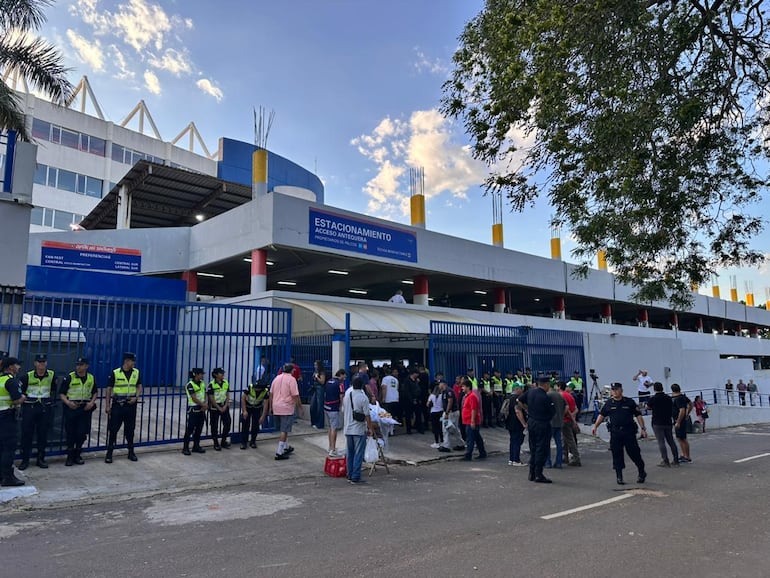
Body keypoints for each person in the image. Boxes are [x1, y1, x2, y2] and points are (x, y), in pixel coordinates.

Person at [592, 382, 647, 485]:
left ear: (621, 390)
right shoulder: (609, 403)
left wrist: (643, 428)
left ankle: (641, 471)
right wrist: (595, 426)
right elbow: (602, 415)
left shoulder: (629, 402)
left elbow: (638, 415)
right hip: (615, 433)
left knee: (634, 453)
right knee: (617, 455)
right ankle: (619, 476)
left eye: (616, 389)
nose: (614, 391)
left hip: (628, 432)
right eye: (613, 390)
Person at [18, 353, 57, 470]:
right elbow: (22, 392)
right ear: (35, 363)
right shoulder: (26, 376)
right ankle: (25, 460)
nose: (41, 364)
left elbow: (53, 390)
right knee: (27, 434)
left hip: (44, 408)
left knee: (43, 434)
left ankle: (41, 459)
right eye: (39, 362)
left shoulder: (52, 375)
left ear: (46, 363)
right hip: (29, 408)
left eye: (43, 362)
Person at [58, 357, 98, 466]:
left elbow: (95, 392)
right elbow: (61, 393)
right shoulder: (70, 377)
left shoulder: (91, 378)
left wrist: (91, 403)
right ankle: (70, 456)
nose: (78, 367)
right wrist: (68, 403)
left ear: (86, 366)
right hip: (72, 408)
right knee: (71, 432)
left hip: (85, 409)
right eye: (77, 365)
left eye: (81, 365)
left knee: (82, 433)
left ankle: (78, 454)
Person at [104, 352, 142, 463]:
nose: (134, 363)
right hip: (118, 406)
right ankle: (109, 453)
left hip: (131, 406)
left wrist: (136, 397)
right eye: (132, 361)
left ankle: (131, 452)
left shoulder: (136, 372)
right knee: (113, 429)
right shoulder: (115, 373)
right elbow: (108, 389)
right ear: (126, 361)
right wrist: (107, 405)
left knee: (130, 430)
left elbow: (139, 386)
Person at [518, 376, 556, 483]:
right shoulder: (545, 397)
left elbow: (519, 400)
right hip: (542, 423)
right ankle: (538, 474)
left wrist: (527, 410)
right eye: (549, 384)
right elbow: (553, 412)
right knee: (541, 449)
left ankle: (532, 473)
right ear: (546, 384)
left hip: (532, 422)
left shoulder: (530, 392)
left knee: (533, 448)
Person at [269, 363, 304, 460]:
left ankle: (286, 446)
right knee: (284, 430)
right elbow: (295, 395)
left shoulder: (276, 378)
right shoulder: (292, 380)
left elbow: (271, 393)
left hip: (276, 406)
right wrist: (300, 407)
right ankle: (279, 452)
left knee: (283, 429)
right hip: (286, 407)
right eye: (293, 370)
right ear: (291, 370)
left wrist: (271, 406)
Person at [0, 357, 26, 486]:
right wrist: (23, 397)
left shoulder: (0, 379)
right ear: (11, 367)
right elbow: (16, 399)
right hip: (7, 417)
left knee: (1, 448)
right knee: (9, 448)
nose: (19, 367)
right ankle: (8, 477)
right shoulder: (11, 381)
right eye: (17, 365)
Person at [343, 376, 373, 484]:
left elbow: (344, 410)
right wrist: (370, 429)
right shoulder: (363, 397)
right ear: (362, 386)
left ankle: (349, 474)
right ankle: (355, 476)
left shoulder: (347, 395)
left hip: (347, 428)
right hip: (358, 430)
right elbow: (367, 416)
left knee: (349, 453)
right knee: (358, 454)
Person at [645, 382, 679, 467]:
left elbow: (647, 407)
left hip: (657, 422)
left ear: (654, 389)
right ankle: (676, 459)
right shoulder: (668, 398)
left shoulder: (653, 398)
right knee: (671, 441)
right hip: (667, 421)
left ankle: (665, 460)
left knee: (661, 442)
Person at [182, 368, 208, 455]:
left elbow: (205, 394)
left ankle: (196, 446)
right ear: (196, 375)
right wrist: (203, 405)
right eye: (201, 374)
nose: (202, 375)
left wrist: (205, 403)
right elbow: (193, 398)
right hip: (193, 409)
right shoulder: (190, 385)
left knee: (199, 429)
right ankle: (185, 448)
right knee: (190, 429)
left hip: (201, 409)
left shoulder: (202, 383)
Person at [461, 377, 487, 461]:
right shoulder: (468, 396)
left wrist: (472, 421)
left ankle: (468, 454)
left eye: (463, 386)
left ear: (468, 387)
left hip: (471, 421)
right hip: (468, 420)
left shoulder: (472, 396)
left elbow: (474, 409)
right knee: (477, 437)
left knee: (470, 438)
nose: (462, 388)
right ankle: (482, 452)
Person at [239, 378, 269, 449]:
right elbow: (243, 399)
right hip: (248, 407)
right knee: (245, 424)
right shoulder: (250, 387)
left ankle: (253, 441)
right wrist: (244, 411)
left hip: (257, 408)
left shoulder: (265, 391)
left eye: (257, 388)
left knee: (255, 425)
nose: (255, 389)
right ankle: (244, 442)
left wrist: (263, 416)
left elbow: (266, 404)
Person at [207, 368, 232, 450]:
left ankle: (223, 441)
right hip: (215, 407)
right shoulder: (211, 385)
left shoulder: (226, 383)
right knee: (214, 426)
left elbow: (227, 394)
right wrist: (218, 407)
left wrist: (225, 405)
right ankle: (216, 443)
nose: (223, 375)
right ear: (215, 375)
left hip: (224, 405)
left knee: (227, 423)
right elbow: (211, 398)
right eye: (221, 373)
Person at [558, 382, 581, 466]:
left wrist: (564, 416)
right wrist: (573, 418)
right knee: (565, 440)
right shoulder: (569, 395)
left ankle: (576, 458)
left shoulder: (561, 396)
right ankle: (566, 457)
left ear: (559, 386)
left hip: (565, 420)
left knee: (569, 440)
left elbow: (565, 409)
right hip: (569, 420)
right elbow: (576, 409)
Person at [324, 369, 346, 456]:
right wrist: (341, 406)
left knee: (330, 428)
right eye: (344, 376)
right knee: (334, 429)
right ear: (341, 374)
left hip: (326, 407)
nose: (345, 378)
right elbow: (341, 396)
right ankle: (333, 450)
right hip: (333, 408)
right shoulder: (340, 384)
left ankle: (330, 447)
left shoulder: (329, 381)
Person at [545, 382, 566, 469]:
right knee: (559, 443)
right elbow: (566, 407)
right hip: (559, 422)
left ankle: (547, 462)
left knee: (546, 443)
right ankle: (559, 462)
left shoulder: (547, 395)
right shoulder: (560, 396)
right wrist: (561, 415)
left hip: (550, 422)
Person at [438, 379, 463, 452]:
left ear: (443, 384)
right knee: (454, 429)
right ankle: (460, 444)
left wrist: (446, 413)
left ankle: (446, 446)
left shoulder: (448, 391)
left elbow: (450, 402)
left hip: (451, 413)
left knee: (446, 429)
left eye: (440, 384)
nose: (439, 386)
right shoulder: (445, 392)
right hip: (451, 412)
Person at [505, 385, 528, 466]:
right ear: (517, 389)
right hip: (517, 423)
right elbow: (518, 411)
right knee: (517, 441)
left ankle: (511, 459)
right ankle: (516, 460)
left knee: (512, 441)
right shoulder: (517, 399)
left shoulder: (509, 397)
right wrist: (524, 423)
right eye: (521, 388)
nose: (522, 390)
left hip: (509, 423)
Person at [671, 383, 692, 463]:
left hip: (679, 420)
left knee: (682, 438)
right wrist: (688, 413)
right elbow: (691, 404)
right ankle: (684, 454)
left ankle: (687, 456)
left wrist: (678, 422)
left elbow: (682, 410)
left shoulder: (678, 398)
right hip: (679, 419)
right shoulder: (682, 397)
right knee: (680, 438)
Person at [310, 360, 327, 429]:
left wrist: (317, 377)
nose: (315, 366)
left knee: (320, 406)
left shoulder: (322, 372)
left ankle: (320, 424)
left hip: (320, 388)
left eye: (316, 365)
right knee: (313, 406)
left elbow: (322, 382)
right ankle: (314, 422)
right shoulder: (316, 371)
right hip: (315, 388)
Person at [427, 384, 444, 448]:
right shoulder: (442, 395)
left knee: (435, 428)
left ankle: (437, 442)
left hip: (433, 412)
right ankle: (442, 441)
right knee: (441, 428)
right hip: (441, 412)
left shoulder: (431, 396)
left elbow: (428, 404)